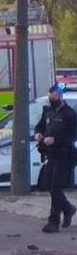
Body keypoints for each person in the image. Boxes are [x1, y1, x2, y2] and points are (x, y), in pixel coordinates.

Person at [35, 83, 77, 233]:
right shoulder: (48, 112)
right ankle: (68, 208)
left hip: (65, 155)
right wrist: (38, 134)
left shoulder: (70, 114)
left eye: (54, 97)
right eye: (50, 97)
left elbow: (73, 136)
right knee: (49, 187)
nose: (52, 99)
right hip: (50, 154)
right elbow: (40, 126)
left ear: (60, 96)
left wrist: (55, 140)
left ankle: (53, 222)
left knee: (55, 188)